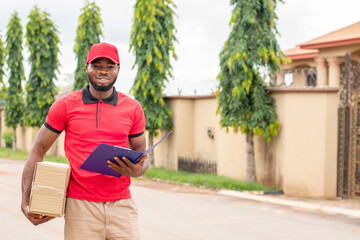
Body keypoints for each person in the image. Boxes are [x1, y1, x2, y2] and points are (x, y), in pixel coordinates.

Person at [21, 42, 149, 240]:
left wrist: (138, 169)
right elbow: (38, 148)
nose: (103, 71)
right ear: (86, 67)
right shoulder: (65, 105)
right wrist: (26, 198)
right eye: (97, 66)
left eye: (110, 66)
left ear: (118, 69)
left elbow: (143, 155)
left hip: (122, 206)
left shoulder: (132, 108)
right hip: (80, 207)